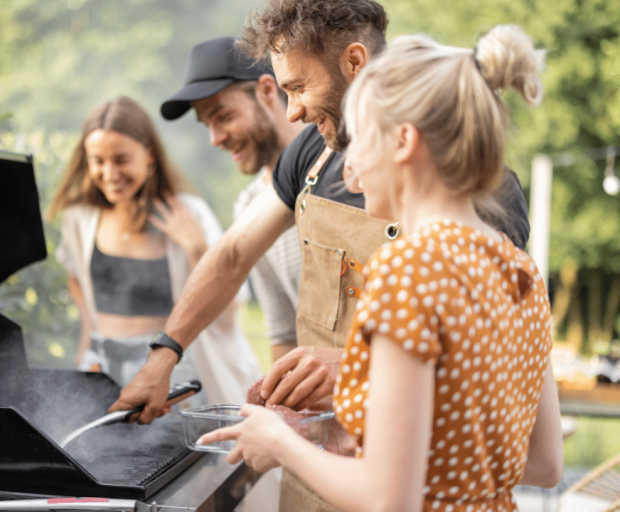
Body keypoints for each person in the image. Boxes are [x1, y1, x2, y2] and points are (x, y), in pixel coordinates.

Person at [200, 24, 564, 512]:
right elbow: (543, 463)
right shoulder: (519, 271)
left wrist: (278, 442)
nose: (348, 170)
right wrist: (328, 431)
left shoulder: (408, 270)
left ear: (403, 142)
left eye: (359, 141)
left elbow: (389, 499)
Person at [48, 96, 261, 404]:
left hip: (170, 369)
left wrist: (196, 246)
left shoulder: (190, 212)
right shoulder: (79, 219)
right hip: (101, 366)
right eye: (98, 161)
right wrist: (87, 335)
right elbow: (75, 276)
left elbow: (227, 310)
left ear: (149, 154)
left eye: (121, 160)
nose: (109, 173)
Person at [161, 36, 306, 363]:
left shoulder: (340, 168)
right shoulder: (248, 205)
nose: (215, 139)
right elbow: (284, 333)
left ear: (267, 91)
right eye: (207, 125)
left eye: (223, 116)